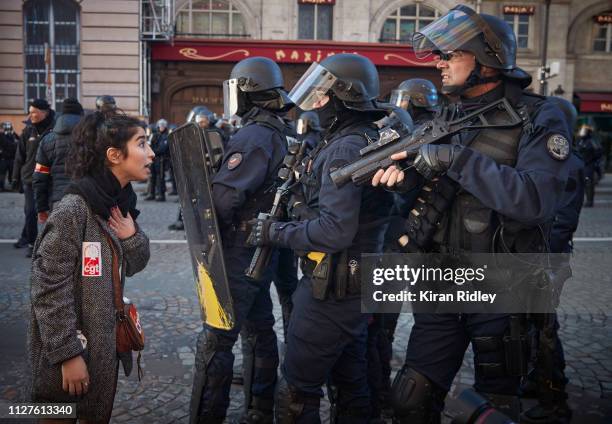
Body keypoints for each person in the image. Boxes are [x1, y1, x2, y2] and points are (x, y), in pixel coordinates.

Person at [371, 5, 572, 421]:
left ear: (486, 59)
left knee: (495, 408)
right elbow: (433, 194)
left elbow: (536, 199)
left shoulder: (537, 115)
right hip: (441, 279)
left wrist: (455, 158)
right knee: (410, 398)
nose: (439, 64)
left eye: (450, 54)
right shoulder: (449, 114)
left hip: (503, 285)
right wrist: (405, 182)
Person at [247, 53, 393, 423]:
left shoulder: (344, 147)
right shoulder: (357, 138)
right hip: (351, 284)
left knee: (296, 387)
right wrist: (298, 202)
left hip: (332, 288)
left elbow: (335, 231)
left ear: (345, 98)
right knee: (349, 380)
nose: (317, 103)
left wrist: (274, 231)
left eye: (324, 95)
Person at [29, 111, 152, 423]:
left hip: (101, 353)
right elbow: (47, 289)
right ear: (114, 155)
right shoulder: (74, 209)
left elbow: (135, 264)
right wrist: (68, 354)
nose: (151, 153)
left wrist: (132, 236)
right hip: (67, 357)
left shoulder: (119, 202)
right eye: (142, 143)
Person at [190, 56, 294, 424]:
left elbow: (223, 199)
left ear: (246, 92)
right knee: (259, 328)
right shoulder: (277, 131)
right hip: (262, 251)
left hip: (238, 250)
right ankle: (258, 409)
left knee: (215, 341)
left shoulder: (253, 136)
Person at [13, 99, 55, 256]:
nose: (30, 115)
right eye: (30, 112)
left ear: (44, 113)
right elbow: (20, 156)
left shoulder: (55, 129)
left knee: (51, 212)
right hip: (30, 179)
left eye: (33, 112)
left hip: (49, 179)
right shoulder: (28, 130)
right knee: (31, 212)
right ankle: (32, 243)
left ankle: (51, 244)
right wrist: (15, 178)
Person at [33, 98, 85, 224]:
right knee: (88, 242)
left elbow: (39, 178)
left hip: (58, 201)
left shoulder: (47, 140)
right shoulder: (93, 139)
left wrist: (41, 208)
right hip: (87, 200)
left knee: (61, 242)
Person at [575, 125, 602, 207]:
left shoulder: (592, 141)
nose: (581, 132)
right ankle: (579, 200)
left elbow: (598, 152)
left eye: (583, 131)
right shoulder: (580, 141)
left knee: (588, 183)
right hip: (580, 165)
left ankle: (589, 201)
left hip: (589, 165)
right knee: (579, 184)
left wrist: (592, 161)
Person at [146, 118, 169, 201]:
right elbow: (149, 145)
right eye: (160, 125)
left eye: (163, 125)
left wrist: (154, 151)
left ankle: (161, 194)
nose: (161, 127)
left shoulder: (166, 136)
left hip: (161, 159)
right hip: (153, 159)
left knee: (160, 178)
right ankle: (151, 193)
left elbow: (163, 148)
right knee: (152, 177)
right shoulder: (154, 135)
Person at [0, 121, 18, 191]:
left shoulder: (12, 135)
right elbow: (6, 144)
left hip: (12, 158)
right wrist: (14, 144)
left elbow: (19, 140)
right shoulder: (1, 135)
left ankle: (12, 187)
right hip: (3, 158)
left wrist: (14, 134)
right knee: (2, 174)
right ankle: (1, 187)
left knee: (12, 174)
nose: (8, 130)